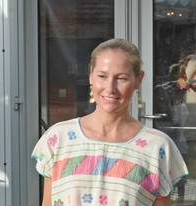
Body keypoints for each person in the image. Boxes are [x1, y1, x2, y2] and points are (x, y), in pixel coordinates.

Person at [31, 38, 188, 205]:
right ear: (90, 75)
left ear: (138, 80)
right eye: (102, 76)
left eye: (121, 78)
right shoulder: (57, 139)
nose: (110, 88)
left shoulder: (158, 147)